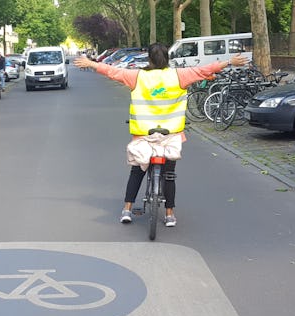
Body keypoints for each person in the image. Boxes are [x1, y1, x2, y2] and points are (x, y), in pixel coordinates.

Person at [74, 43, 248, 227]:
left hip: (143, 134)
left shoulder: (137, 76)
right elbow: (205, 70)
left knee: (137, 171)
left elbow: (111, 71)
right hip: (171, 135)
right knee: (169, 174)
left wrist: (90, 63)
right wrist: (230, 61)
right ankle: (170, 214)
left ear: (149, 58)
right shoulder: (180, 75)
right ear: (168, 59)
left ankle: (127, 209)